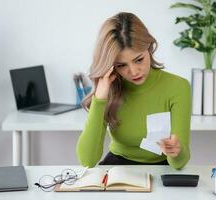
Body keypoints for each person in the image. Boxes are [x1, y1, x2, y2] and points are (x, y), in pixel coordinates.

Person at [76, 12, 191, 170]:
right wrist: (99, 98)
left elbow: (180, 163)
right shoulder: (110, 89)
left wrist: (176, 152)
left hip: (162, 167)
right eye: (122, 65)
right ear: (111, 66)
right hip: (117, 167)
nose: (134, 71)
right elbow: (87, 160)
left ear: (149, 48)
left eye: (139, 60)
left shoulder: (178, 87)